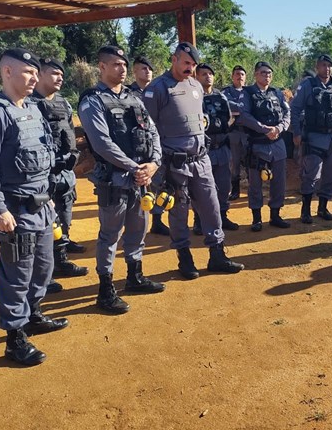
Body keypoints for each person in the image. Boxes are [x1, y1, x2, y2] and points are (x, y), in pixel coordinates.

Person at [0, 48, 69, 366]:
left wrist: (50, 195)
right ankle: (14, 339)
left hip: (42, 207)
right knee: (17, 275)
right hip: (16, 211)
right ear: (7, 72)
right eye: (28, 72)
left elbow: (44, 156)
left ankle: (33, 315)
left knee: (43, 268)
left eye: (36, 73)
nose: (34, 78)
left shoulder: (34, 109)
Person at [142, 43, 243, 279]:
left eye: (193, 64)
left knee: (212, 207)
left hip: (201, 160)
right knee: (179, 211)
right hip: (175, 164)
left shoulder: (196, 85)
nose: (190, 68)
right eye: (186, 63)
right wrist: (157, 166)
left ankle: (217, 255)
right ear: (174, 59)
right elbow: (148, 131)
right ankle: (184, 258)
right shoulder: (157, 89)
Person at [78, 45, 166, 313]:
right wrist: (135, 167)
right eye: (116, 64)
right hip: (115, 180)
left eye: (124, 64)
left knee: (139, 228)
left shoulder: (134, 98)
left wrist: (154, 164)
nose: (122, 68)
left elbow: (153, 132)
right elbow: (101, 143)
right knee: (110, 234)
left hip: (140, 180)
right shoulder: (92, 100)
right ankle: (105, 290)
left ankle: (134, 277)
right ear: (102, 67)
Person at [31, 58, 88, 292]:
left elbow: (70, 132)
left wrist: (73, 156)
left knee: (64, 215)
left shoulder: (63, 102)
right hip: (44, 174)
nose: (60, 78)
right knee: (44, 223)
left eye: (61, 74)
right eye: (54, 73)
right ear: (40, 75)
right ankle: (42, 272)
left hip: (65, 171)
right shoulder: (29, 104)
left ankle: (60, 260)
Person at [290, 54, 332, 223]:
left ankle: (323, 207)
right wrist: (296, 132)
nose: (326, 69)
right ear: (317, 67)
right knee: (311, 175)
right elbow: (295, 109)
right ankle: (305, 210)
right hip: (314, 138)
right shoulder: (307, 85)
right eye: (323, 65)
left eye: (329, 66)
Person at [237, 61, 292, 231]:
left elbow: (287, 114)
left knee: (279, 182)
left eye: (269, 73)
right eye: (263, 72)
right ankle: (257, 219)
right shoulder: (247, 93)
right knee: (255, 184)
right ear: (255, 75)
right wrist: (264, 129)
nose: (266, 75)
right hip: (257, 145)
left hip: (277, 144)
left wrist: (279, 128)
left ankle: (275, 215)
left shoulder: (277, 93)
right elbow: (244, 116)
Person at [196, 62, 239, 231]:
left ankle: (222, 216)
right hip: (203, 151)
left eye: (210, 74)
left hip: (221, 148)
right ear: (196, 77)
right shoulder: (193, 97)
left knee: (223, 185)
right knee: (202, 188)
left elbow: (228, 119)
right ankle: (199, 220)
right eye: (204, 74)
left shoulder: (221, 97)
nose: (208, 77)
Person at [130, 56, 170, 236]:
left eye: (150, 69)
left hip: (157, 145)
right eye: (143, 68)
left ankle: (157, 221)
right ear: (134, 71)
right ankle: (135, 226)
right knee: (137, 187)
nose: (148, 72)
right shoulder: (128, 94)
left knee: (159, 183)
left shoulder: (159, 91)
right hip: (136, 147)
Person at [222, 65, 248, 201]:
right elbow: (227, 105)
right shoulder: (226, 92)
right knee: (234, 164)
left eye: (242, 74)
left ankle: (253, 189)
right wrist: (244, 108)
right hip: (234, 134)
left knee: (251, 162)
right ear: (232, 76)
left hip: (249, 133)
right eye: (237, 74)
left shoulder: (250, 91)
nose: (240, 77)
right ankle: (235, 191)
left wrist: (238, 110)